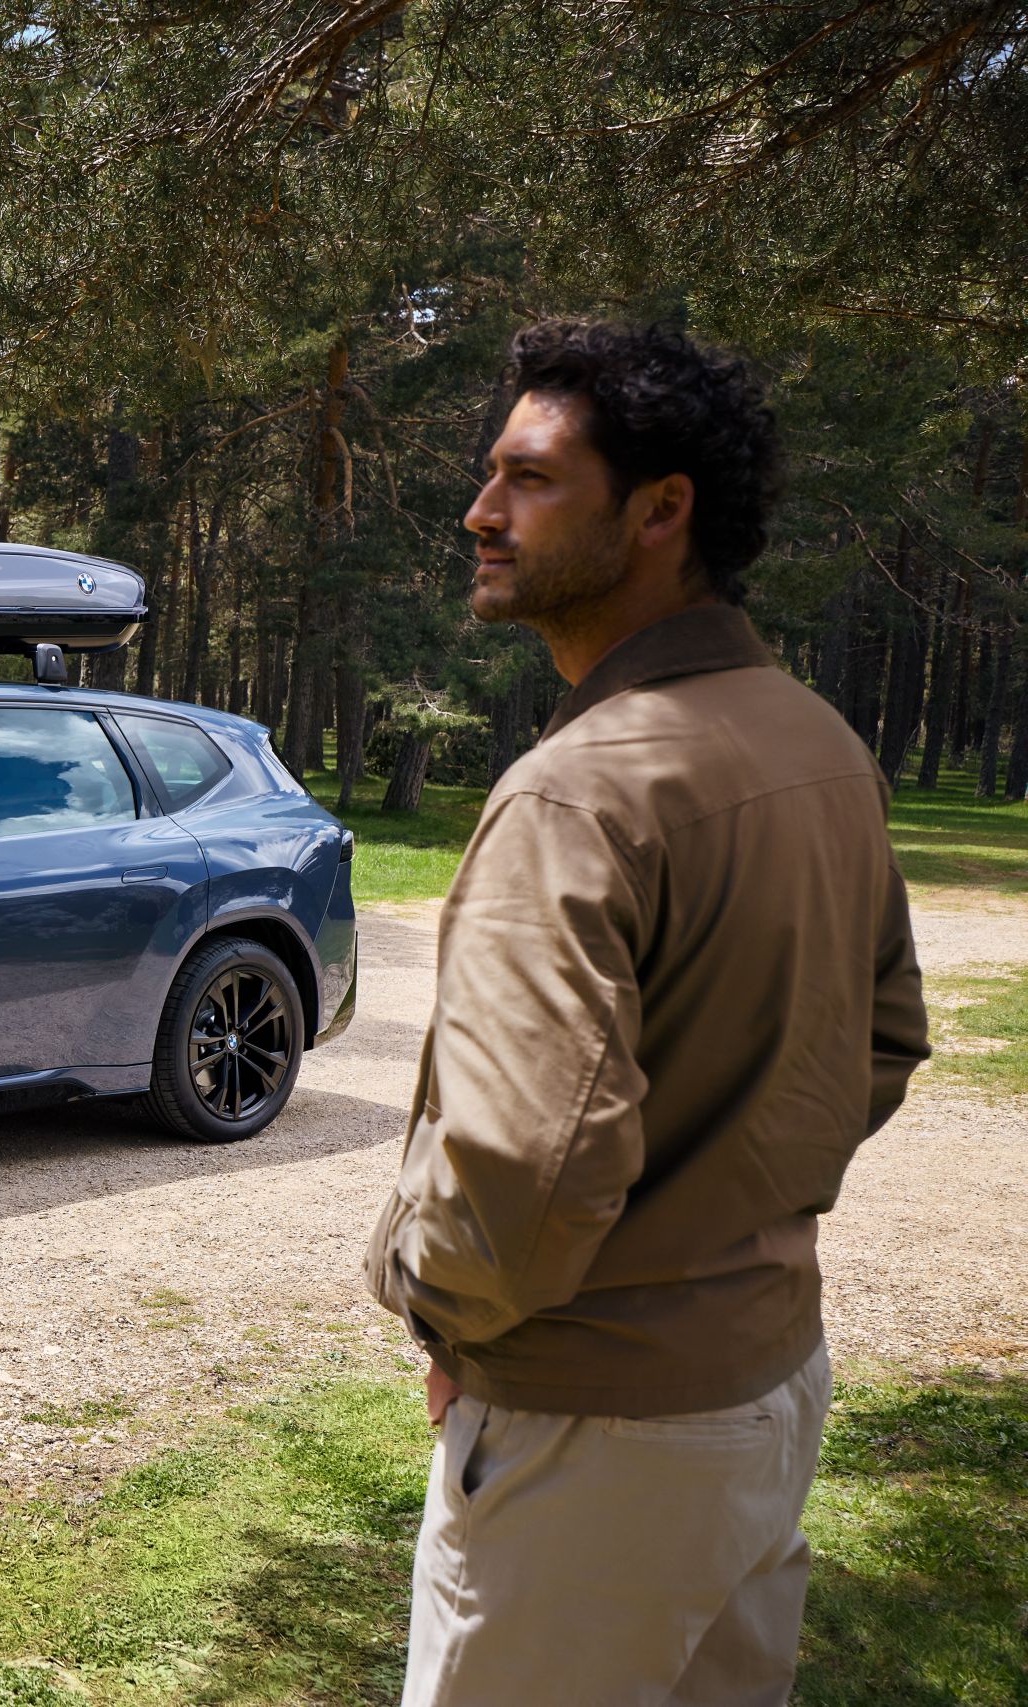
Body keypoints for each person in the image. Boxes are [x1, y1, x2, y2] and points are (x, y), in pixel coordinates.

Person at [365, 320, 932, 1707]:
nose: (480, 513)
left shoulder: (578, 794)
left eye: (531, 479)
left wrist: (440, 1312)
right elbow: (885, 1041)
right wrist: (723, 1213)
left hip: (590, 1440)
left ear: (661, 510)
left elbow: (521, 1172)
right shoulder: (814, 741)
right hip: (768, 1388)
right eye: (492, 476)